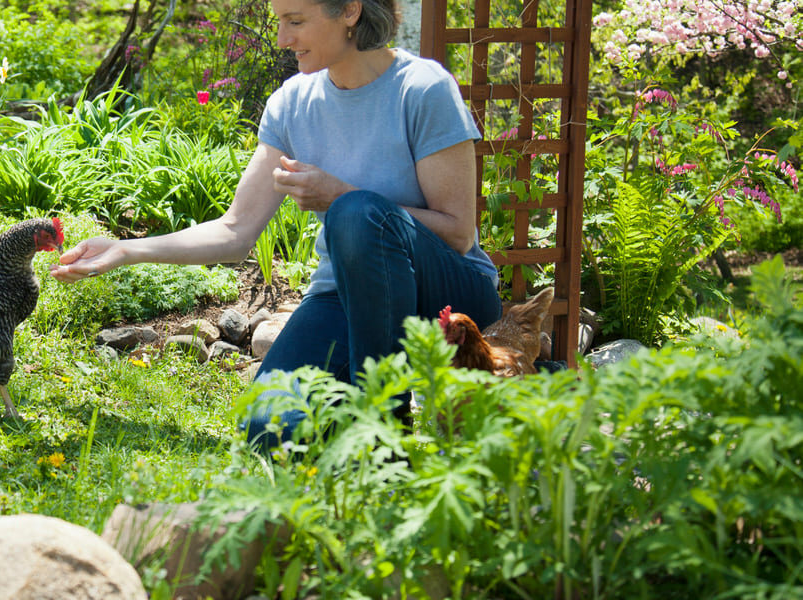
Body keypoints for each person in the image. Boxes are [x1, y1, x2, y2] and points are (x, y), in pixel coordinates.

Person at [50, 0, 502, 447]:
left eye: (296, 21)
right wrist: (126, 250)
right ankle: (350, 427)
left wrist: (342, 196)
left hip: (448, 297)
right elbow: (234, 232)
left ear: (349, 12)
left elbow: (458, 231)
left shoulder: (422, 88)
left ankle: (385, 431)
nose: (283, 39)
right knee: (268, 428)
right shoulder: (293, 103)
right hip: (344, 297)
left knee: (355, 213)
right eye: (280, 22)